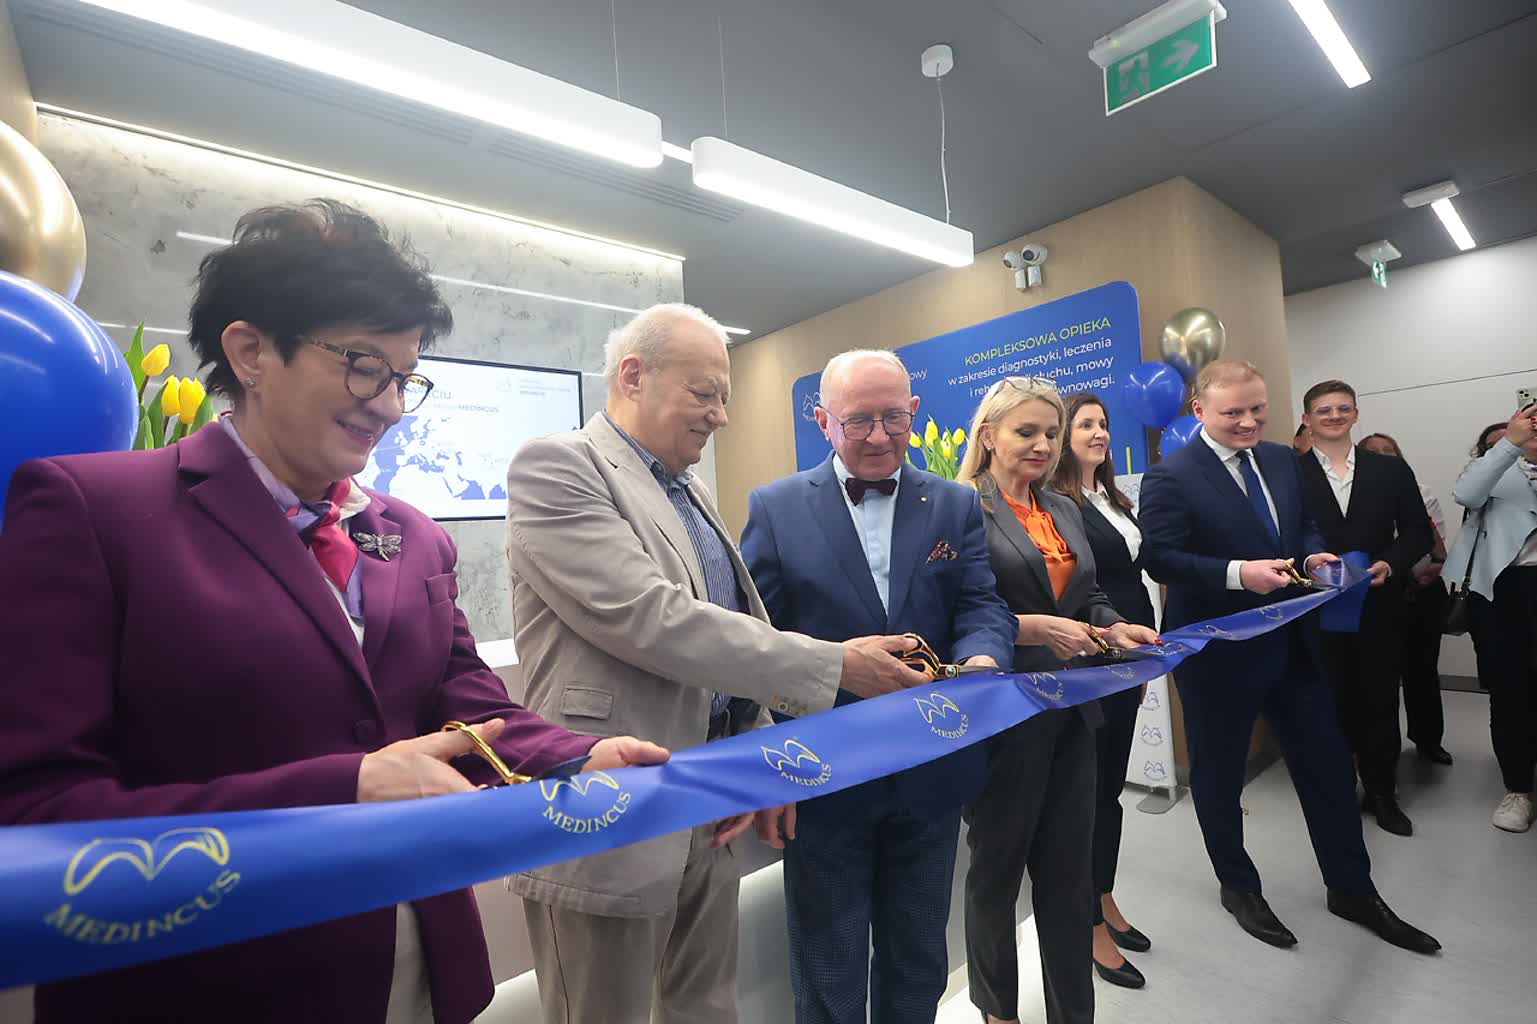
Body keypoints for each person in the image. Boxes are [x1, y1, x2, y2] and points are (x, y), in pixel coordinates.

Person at [0, 199, 672, 1024]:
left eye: (405, 377)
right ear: (250, 352)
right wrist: (343, 787)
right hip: (208, 984)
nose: (388, 404)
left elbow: (466, 704)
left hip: (416, 976)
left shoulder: (413, 536)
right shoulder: (96, 512)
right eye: (363, 365)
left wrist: (579, 755)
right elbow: (37, 808)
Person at [503, 310, 928, 1024]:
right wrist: (834, 665)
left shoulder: (689, 490)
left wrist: (760, 758)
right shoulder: (558, 465)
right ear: (633, 376)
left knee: (705, 1010)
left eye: (723, 397)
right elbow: (650, 618)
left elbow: (732, 626)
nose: (721, 416)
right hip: (612, 806)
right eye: (705, 393)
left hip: (710, 804)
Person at [740, 349, 1016, 1024]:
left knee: (919, 955)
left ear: (914, 411)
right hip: (825, 772)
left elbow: (980, 604)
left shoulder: (954, 502)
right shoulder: (775, 507)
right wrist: (768, 763)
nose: (877, 436)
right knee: (828, 963)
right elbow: (755, 639)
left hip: (932, 764)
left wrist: (983, 660)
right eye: (857, 420)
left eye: (893, 418)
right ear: (822, 421)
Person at [1139, 359, 1439, 955]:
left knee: (1327, 766)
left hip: (1294, 646)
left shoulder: (1280, 460)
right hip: (1219, 653)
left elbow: (1301, 528)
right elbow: (1160, 558)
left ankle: (1352, 889)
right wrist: (1238, 574)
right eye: (1233, 413)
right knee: (1220, 777)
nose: (1249, 422)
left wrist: (1311, 558)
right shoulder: (1171, 476)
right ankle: (1238, 886)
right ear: (1199, 410)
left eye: (1258, 409)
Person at [952, 377, 1159, 1024]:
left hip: (1074, 711)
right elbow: (950, 615)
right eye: (1026, 432)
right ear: (988, 436)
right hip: (1003, 718)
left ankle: (1073, 1012)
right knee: (996, 876)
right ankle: (998, 1012)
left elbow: (1085, 598)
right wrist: (1032, 630)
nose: (1042, 445)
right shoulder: (959, 508)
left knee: (1069, 878)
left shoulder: (1063, 509)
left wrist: (1113, 626)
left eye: (1050, 432)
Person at [1050, 392, 1159, 989]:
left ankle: (1105, 896)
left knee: (1110, 788)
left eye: (1104, 424)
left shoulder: (1113, 499)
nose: (1099, 433)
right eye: (1085, 424)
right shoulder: (1057, 504)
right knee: (1086, 796)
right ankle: (1087, 922)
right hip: (1091, 659)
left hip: (1129, 657)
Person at [1297, 381, 1433, 836]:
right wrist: (1308, 563)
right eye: (1323, 410)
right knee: (1327, 702)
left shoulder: (1389, 470)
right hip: (1315, 607)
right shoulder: (1289, 474)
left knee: (1378, 700)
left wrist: (1390, 564)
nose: (1334, 416)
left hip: (1379, 604)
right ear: (1307, 419)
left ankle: (1382, 793)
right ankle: (1337, 791)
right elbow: (1280, 535)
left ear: (1356, 414)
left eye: (1343, 408)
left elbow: (1417, 531)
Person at [1443, 402, 1537, 833]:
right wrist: (1509, 445)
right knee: (1510, 691)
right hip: (1504, 589)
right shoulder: (1496, 467)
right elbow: (1466, 494)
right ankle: (1518, 788)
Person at [1359, 432, 1454, 765]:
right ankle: (1381, 752)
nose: (1382, 455)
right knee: (1377, 677)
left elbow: (1434, 542)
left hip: (1421, 590)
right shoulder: (1351, 495)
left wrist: (1424, 572)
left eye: (1388, 450)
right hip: (1375, 591)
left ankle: (1428, 740)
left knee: (1422, 670)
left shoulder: (1421, 492)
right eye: (1372, 451)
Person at [1463, 421, 1512, 692]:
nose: (1502, 450)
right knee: (1500, 681)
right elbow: (1467, 497)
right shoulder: (1477, 483)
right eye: (1491, 448)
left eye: (1508, 442)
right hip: (1490, 586)